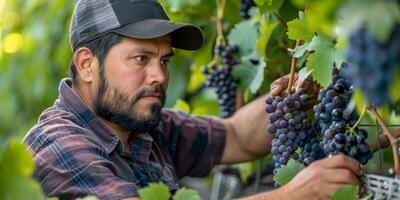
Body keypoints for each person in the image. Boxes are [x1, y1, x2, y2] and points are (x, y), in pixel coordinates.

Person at [23, 0, 363, 199]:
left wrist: (292, 98)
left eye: (164, 60)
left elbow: (236, 135)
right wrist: (292, 195)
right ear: (86, 64)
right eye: (141, 58)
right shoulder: (57, 146)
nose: (159, 75)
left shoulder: (143, 127)